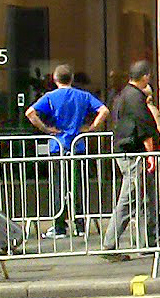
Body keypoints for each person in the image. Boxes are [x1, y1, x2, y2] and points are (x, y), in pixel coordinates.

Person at [24, 64, 110, 238]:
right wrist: (92, 128)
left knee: (58, 186)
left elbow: (30, 113)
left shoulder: (50, 97)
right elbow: (104, 111)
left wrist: (47, 129)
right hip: (77, 146)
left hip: (58, 146)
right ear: (71, 78)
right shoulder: (83, 96)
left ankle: (59, 226)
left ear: (55, 80)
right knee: (78, 186)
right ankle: (79, 225)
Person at [102, 61, 160, 258]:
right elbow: (145, 129)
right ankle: (109, 245)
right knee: (129, 199)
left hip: (127, 152)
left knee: (143, 199)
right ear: (145, 77)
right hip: (134, 154)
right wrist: (152, 155)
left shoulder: (122, 96)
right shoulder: (135, 98)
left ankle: (147, 242)